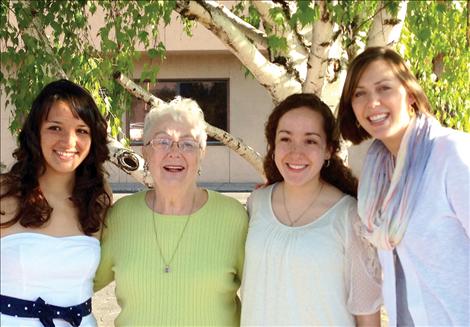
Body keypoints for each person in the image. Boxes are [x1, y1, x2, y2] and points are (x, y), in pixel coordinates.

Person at [338, 46, 470, 326]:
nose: (372, 103)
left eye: (384, 88)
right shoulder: (376, 175)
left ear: (410, 94)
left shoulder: (451, 154)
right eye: (359, 93)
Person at [94, 97, 248, 326]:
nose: (174, 151)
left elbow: (265, 299)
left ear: (202, 153)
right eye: (162, 141)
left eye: (188, 143)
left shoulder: (234, 218)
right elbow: (79, 284)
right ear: (146, 151)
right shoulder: (120, 217)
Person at [240, 93, 382, 326]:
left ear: (329, 150)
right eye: (285, 139)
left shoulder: (350, 216)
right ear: (273, 145)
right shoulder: (256, 203)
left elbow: (367, 315)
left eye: (311, 141)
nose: (296, 152)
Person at [0, 79, 111, 326]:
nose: (69, 142)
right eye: (55, 128)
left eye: (81, 130)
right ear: (35, 132)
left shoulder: (98, 198)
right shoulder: (4, 193)